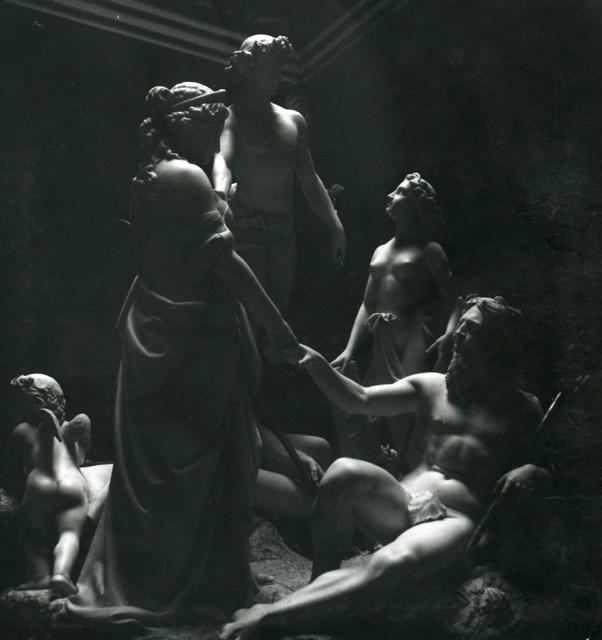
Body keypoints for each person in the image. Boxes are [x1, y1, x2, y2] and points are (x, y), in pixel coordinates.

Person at [66, 82, 299, 629]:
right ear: (193, 122)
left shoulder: (158, 173)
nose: (221, 131)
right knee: (208, 470)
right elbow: (225, 262)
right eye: (213, 122)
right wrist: (277, 325)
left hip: (158, 330)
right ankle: (203, 585)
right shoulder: (185, 176)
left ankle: (185, 578)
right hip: (193, 343)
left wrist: (219, 186)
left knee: (166, 476)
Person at [220, 296, 553, 639]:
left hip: (455, 520)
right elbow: (359, 399)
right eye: (461, 325)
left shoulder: (523, 409)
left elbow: (548, 469)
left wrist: (532, 469)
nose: (458, 334)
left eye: (471, 329)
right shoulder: (432, 386)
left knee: (394, 561)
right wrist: (316, 363)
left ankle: (267, 619)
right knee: (343, 470)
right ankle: (318, 586)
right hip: (402, 500)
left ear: (496, 346)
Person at [330, 173, 460, 465]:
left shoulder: (430, 250)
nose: (390, 195)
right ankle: (387, 466)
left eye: (399, 192)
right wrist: (350, 349)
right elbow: (368, 304)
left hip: (414, 335)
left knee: (408, 408)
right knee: (380, 407)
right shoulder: (380, 251)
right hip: (383, 338)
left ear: (416, 206)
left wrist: (450, 332)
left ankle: (415, 468)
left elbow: (455, 296)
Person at [213, 34, 347, 312]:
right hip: (247, 227)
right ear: (248, 70)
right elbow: (223, 160)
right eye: (269, 69)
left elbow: (309, 179)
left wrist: (335, 225)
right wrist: (220, 197)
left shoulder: (293, 121)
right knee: (252, 312)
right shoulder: (230, 117)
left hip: (283, 232)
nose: (276, 76)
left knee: (279, 308)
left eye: (278, 69)